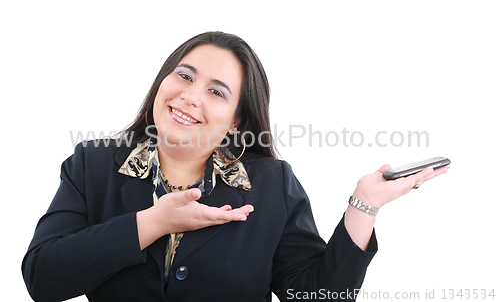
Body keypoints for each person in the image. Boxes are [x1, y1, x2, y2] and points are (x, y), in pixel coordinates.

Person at [22, 31, 449, 302]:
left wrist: (364, 206)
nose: (191, 96)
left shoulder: (271, 184)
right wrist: (151, 222)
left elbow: (317, 296)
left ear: (236, 121)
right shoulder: (92, 164)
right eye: (184, 77)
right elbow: (44, 279)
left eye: (216, 91)